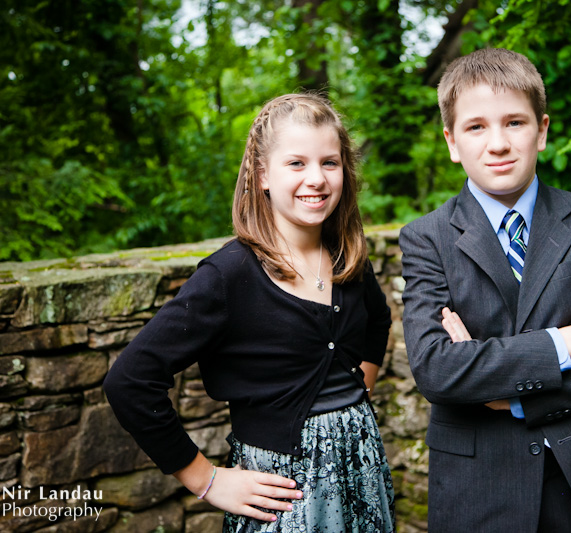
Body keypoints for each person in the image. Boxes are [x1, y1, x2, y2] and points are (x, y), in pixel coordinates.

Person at [104, 93, 395, 533]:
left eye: (329, 163)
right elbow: (130, 381)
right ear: (262, 175)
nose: (316, 178)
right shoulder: (229, 274)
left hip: (364, 472)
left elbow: (378, 320)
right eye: (296, 163)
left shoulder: (347, 256)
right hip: (286, 495)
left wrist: (359, 388)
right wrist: (205, 479)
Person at [399, 48, 571, 532]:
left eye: (514, 123)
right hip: (477, 490)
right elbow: (437, 370)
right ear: (452, 141)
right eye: (476, 127)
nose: (498, 143)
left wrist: (520, 397)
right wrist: (569, 340)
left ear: (541, 131)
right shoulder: (426, 238)